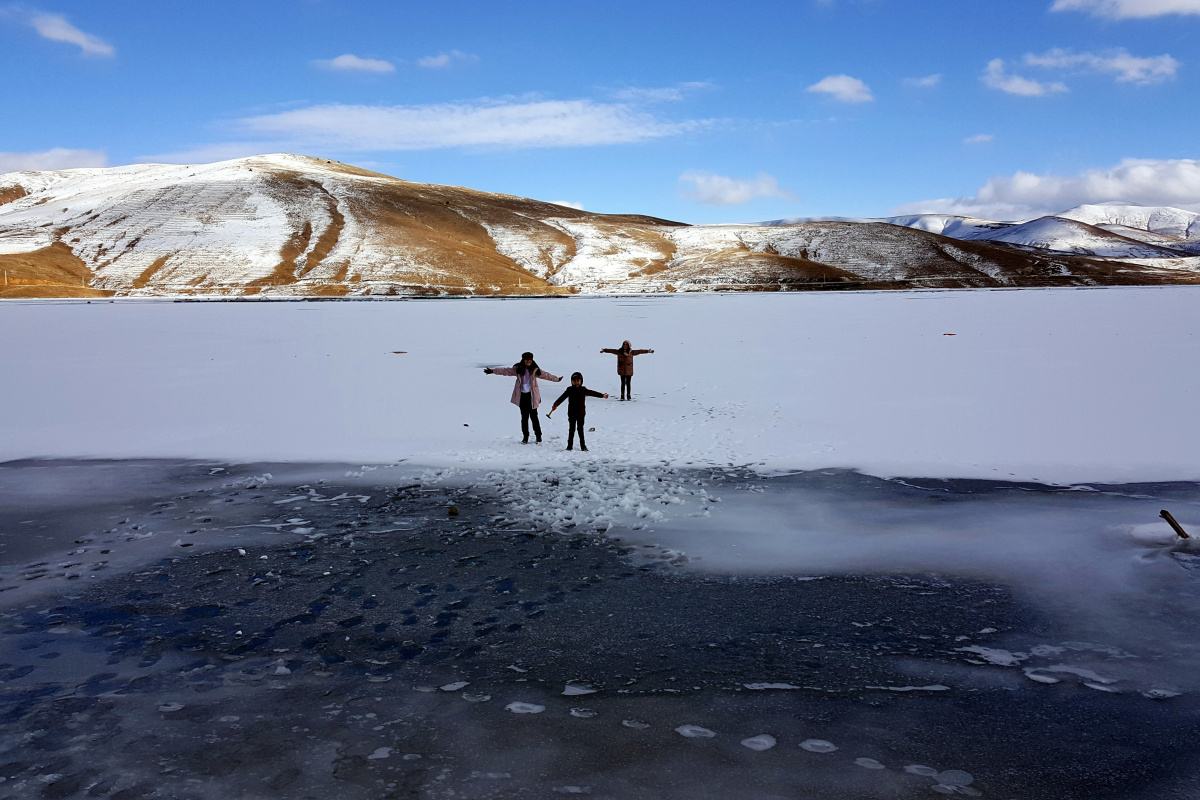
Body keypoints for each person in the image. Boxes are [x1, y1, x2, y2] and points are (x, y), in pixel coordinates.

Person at [483, 352, 562, 443]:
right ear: (523, 360)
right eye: (526, 359)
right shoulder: (518, 369)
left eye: (530, 359)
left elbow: (546, 376)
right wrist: (493, 371)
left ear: (532, 360)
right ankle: (525, 437)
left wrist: (557, 379)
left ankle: (538, 436)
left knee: (534, 417)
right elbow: (505, 371)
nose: (528, 361)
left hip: (532, 397)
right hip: (522, 396)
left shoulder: (535, 370)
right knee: (524, 418)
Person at [548, 372, 608, 451]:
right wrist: (556, 404)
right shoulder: (569, 390)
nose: (576, 383)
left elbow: (592, 393)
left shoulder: (583, 390)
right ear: (572, 382)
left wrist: (602, 395)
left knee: (580, 430)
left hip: (581, 414)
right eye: (574, 381)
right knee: (571, 430)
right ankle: (569, 446)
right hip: (572, 413)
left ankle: (583, 446)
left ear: (581, 381)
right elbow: (562, 397)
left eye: (578, 381)